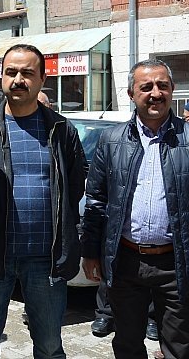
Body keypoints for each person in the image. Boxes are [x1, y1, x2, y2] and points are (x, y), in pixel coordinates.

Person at [0, 44, 86, 358]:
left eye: (27, 73)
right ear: (1, 77)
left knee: (49, 346)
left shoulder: (61, 129)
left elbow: (74, 188)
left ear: (42, 79)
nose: (18, 79)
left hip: (45, 260)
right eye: (11, 72)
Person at [81, 58, 189, 359]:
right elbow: (96, 200)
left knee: (179, 346)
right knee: (127, 343)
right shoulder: (111, 140)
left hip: (176, 263)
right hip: (126, 261)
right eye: (146, 87)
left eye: (162, 86)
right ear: (131, 94)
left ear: (172, 89)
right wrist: (90, 252)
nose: (155, 93)